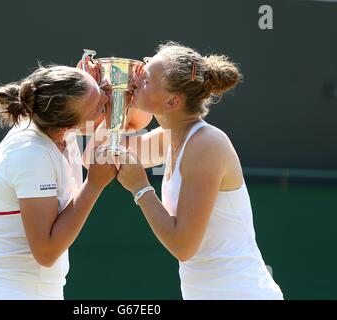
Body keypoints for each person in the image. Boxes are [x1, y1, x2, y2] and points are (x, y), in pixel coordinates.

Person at [0, 63, 150, 300]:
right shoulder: (31, 152)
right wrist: (93, 185)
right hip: (7, 292)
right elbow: (47, 252)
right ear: (68, 123)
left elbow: (134, 122)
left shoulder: (54, 125)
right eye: (97, 105)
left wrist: (128, 94)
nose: (105, 100)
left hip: (37, 290)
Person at [115, 42, 284, 300]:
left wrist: (141, 187)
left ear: (172, 100)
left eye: (146, 80)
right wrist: (109, 101)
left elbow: (183, 245)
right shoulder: (170, 137)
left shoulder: (206, 144)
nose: (136, 80)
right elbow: (97, 157)